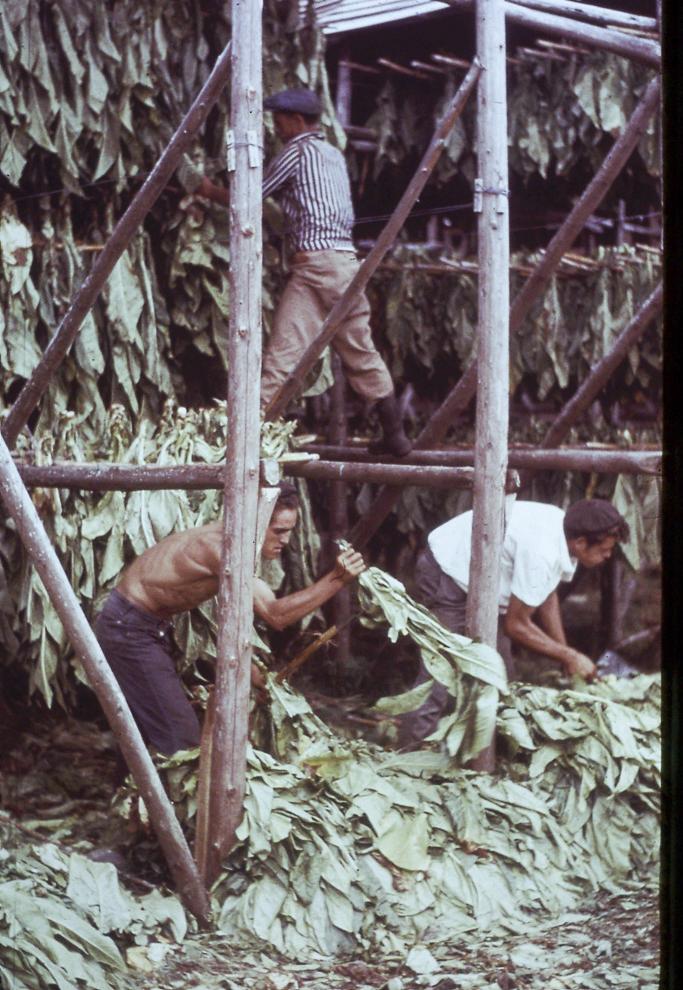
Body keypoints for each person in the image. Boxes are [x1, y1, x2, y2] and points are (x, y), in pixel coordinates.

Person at [195, 86, 412, 456]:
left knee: (283, 355)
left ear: (297, 122)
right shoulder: (333, 154)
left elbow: (249, 197)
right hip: (343, 264)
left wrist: (204, 188)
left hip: (317, 265)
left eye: (279, 123)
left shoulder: (296, 153)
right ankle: (395, 435)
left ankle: (243, 442)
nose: (276, 130)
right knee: (357, 351)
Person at [94, 484, 365, 756]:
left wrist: (246, 666)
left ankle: (135, 796)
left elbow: (225, 611)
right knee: (182, 740)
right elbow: (275, 614)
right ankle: (169, 798)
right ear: (255, 521)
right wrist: (337, 579)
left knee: (149, 730)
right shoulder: (224, 547)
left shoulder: (232, 536)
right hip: (129, 629)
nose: (286, 540)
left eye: (290, 530)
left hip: (145, 626)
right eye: (279, 531)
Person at [397, 498, 630, 749]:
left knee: (500, 675)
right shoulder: (543, 551)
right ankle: (409, 754)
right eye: (604, 550)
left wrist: (564, 655)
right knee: (440, 669)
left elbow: (545, 594)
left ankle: (491, 751)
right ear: (581, 543)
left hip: (483, 579)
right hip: (448, 570)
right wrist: (570, 656)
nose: (607, 556)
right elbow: (515, 625)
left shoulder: (564, 528)